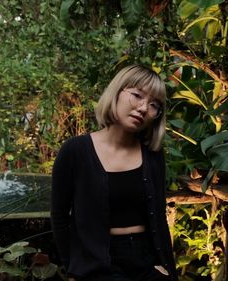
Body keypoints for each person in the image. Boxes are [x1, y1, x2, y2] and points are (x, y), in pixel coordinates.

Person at [51, 65, 177, 281]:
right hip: (99, 264)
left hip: (147, 261)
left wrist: (167, 270)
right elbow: (60, 216)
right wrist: (72, 268)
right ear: (117, 92)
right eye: (137, 95)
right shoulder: (75, 150)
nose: (143, 108)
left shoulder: (153, 155)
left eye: (154, 105)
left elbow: (158, 215)